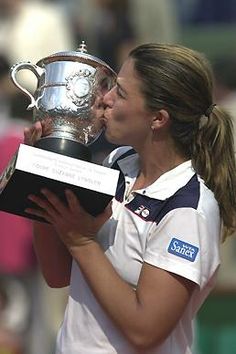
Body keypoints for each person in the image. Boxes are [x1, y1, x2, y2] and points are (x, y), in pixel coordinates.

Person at [23, 43, 236, 354]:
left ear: (158, 119)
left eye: (119, 93)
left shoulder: (188, 209)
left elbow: (144, 331)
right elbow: (57, 274)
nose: (104, 99)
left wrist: (82, 241)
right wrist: (44, 178)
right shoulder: (118, 162)